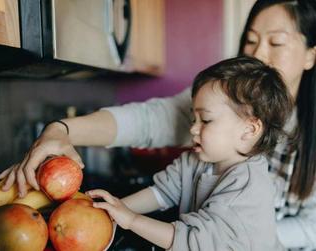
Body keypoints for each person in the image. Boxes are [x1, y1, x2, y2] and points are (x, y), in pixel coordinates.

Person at [0, 0, 316, 250]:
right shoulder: (219, 111)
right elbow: (150, 122)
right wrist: (62, 130)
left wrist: (243, 236)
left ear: (312, 54)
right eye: (250, 41)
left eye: (276, 43)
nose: (258, 55)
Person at [88, 56, 292, 250]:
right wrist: (115, 210)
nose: (193, 129)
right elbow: (163, 192)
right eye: (194, 119)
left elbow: (191, 242)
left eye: (206, 120)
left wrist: (131, 220)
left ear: (249, 130)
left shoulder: (246, 188)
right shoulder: (197, 160)